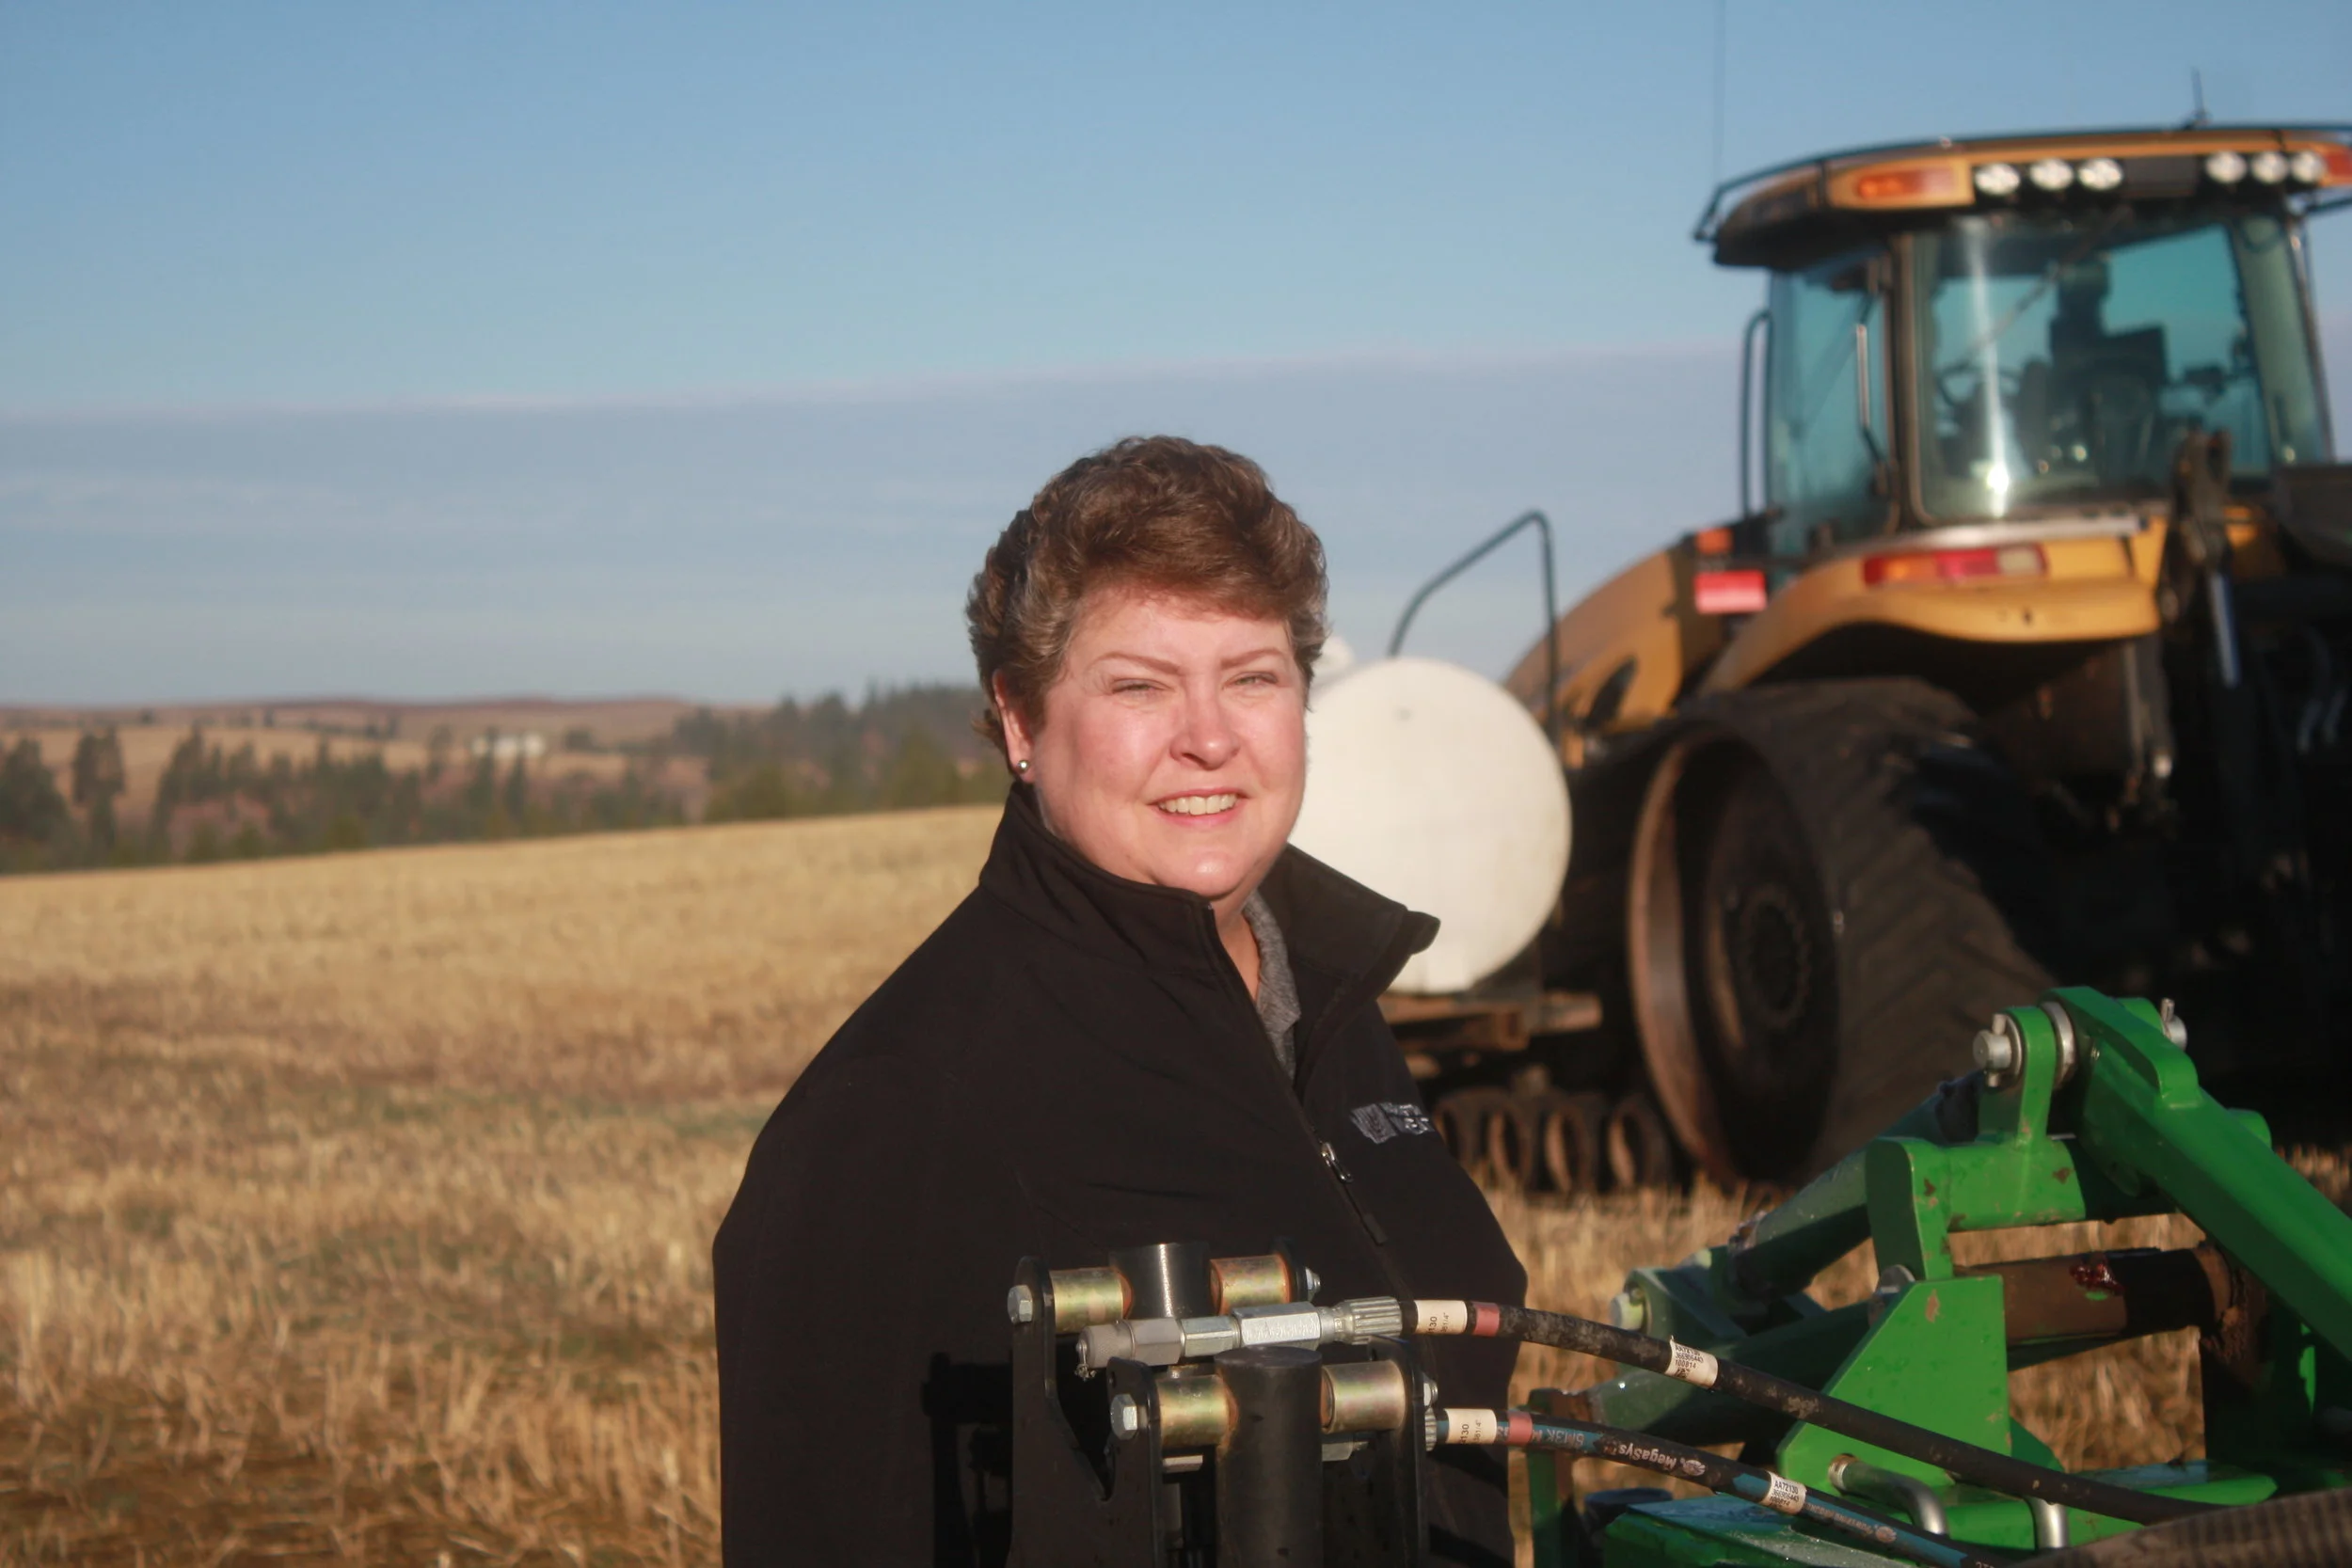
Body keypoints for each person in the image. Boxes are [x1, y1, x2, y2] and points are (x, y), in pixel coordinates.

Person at [714, 436, 1526, 1566]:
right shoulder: (899, 1110)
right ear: (1018, 720)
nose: (1208, 735)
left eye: (1252, 676)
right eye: (1139, 685)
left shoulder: (1330, 1007)